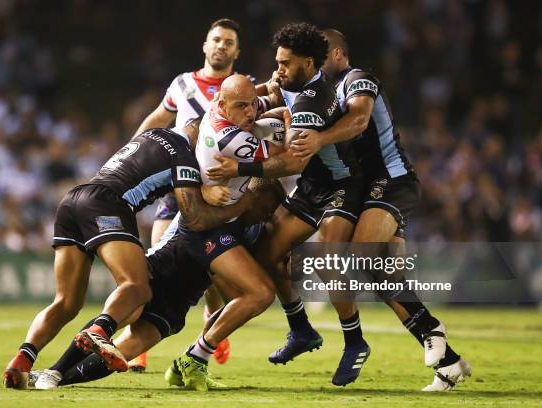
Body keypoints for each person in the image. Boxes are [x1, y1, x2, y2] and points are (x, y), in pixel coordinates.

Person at [3, 119, 252, 389]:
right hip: (107, 204)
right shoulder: (183, 155)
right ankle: (100, 330)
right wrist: (234, 202)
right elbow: (193, 214)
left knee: (66, 302)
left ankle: (22, 360)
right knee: (137, 286)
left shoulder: (154, 134)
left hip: (73, 200)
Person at [286, 28, 471, 391]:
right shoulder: (323, 94)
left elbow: (358, 120)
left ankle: (431, 330)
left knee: (360, 256)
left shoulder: (358, 80)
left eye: (319, 58)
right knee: (383, 276)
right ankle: (448, 361)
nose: (313, 67)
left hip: (394, 181)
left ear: (337, 54)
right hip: (368, 190)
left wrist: (320, 138)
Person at [207, 22, 371, 385]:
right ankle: (301, 329)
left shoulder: (312, 100)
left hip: (342, 184)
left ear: (309, 63)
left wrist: (240, 166)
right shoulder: (292, 83)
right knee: (267, 253)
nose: (278, 69)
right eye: (277, 61)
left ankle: (354, 341)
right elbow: (269, 100)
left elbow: (293, 161)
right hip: (314, 185)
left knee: (327, 257)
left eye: (285, 63)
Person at [27, 178, 284, 390]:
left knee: (126, 350)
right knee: (114, 323)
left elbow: (223, 281)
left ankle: (57, 379)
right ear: (252, 196)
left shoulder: (253, 231)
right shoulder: (216, 204)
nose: (268, 215)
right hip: (158, 271)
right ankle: (55, 370)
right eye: (266, 207)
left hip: (180, 299)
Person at [130, 18, 274, 370]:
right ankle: (138, 347)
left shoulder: (245, 91)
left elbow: (266, 129)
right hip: (180, 186)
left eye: (229, 42)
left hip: (224, 187)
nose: (222, 46)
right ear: (205, 46)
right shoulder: (182, 84)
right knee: (158, 263)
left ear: (237, 52)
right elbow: (156, 121)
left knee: (203, 267)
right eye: (216, 40)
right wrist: (132, 155)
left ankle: (211, 319)